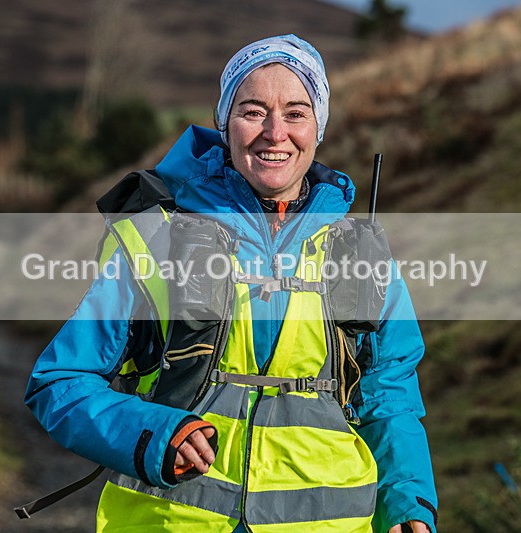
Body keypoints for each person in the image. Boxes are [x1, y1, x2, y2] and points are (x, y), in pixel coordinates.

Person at [25, 34, 438, 532]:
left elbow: (388, 395)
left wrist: (408, 503)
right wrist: (152, 432)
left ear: (318, 127)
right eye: (253, 111)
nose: (274, 132)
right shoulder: (155, 240)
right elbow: (59, 382)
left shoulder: (360, 252)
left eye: (295, 112)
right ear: (225, 123)